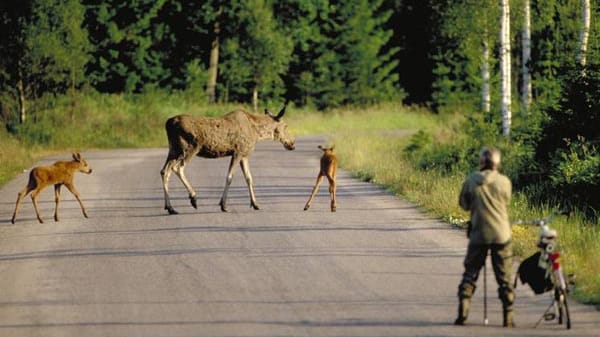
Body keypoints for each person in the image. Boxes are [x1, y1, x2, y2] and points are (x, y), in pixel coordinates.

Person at [454, 147, 515, 327]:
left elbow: (463, 204)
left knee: (470, 273)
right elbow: (507, 201)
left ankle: (463, 311)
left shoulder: (472, 180)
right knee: (504, 277)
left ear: (481, 162)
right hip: (501, 235)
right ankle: (508, 317)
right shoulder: (504, 182)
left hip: (478, 233)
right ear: (497, 163)